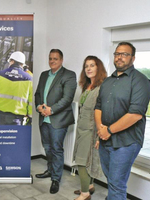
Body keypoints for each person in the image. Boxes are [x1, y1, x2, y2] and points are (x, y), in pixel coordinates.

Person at [95, 42, 150, 200]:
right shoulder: (107, 81)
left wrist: (109, 130)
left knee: (117, 183)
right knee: (111, 179)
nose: (119, 57)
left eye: (124, 54)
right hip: (105, 139)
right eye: (117, 54)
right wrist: (101, 130)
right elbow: (98, 107)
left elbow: (136, 114)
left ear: (132, 58)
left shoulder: (140, 81)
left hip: (127, 141)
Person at [35, 49, 77, 194]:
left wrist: (51, 110)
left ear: (61, 60)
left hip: (58, 119)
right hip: (44, 118)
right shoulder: (43, 74)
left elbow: (67, 98)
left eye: (56, 59)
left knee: (56, 149)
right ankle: (50, 170)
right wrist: (38, 106)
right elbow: (38, 94)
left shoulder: (69, 75)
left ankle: (56, 179)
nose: (52, 61)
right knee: (47, 147)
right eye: (50, 58)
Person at [72, 56, 107, 200]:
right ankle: (89, 186)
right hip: (82, 129)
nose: (89, 68)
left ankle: (85, 194)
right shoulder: (86, 87)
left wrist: (99, 135)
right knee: (88, 159)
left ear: (99, 68)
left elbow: (104, 113)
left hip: (92, 130)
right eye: (86, 66)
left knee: (82, 161)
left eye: (92, 65)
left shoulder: (102, 88)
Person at [0, 51, 32, 125]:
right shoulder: (29, 80)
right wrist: (30, 118)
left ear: (12, 61)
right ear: (22, 64)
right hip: (16, 119)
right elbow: (31, 102)